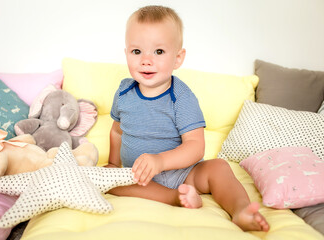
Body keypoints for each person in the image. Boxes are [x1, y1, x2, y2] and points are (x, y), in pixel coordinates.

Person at [105, 5, 269, 232]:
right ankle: (175, 198)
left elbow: (195, 146)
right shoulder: (124, 92)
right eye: (137, 52)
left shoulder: (181, 97)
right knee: (110, 180)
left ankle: (240, 210)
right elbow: (117, 131)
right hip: (137, 175)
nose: (146, 60)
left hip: (183, 174)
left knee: (219, 168)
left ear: (178, 58)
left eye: (159, 52)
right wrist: (114, 164)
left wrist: (160, 161)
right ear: (126, 54)